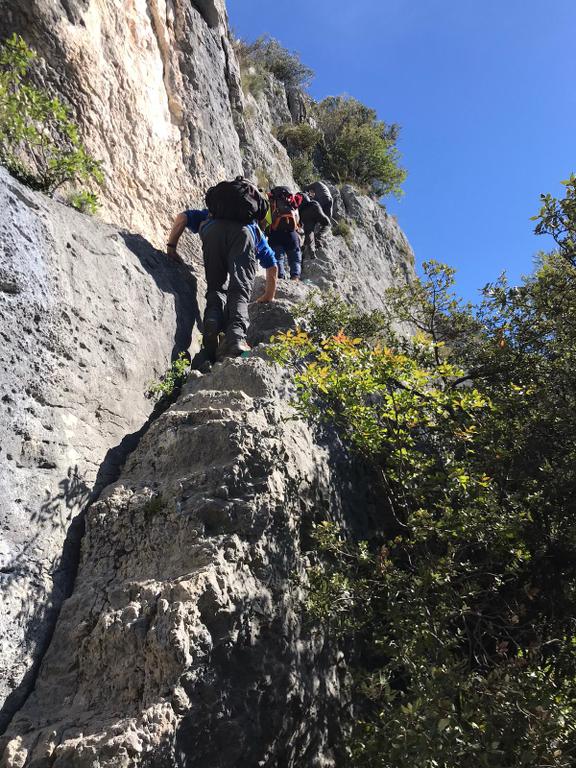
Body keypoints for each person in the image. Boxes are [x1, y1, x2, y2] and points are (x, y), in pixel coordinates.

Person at [166, 180, 278, 361]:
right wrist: (268, 295)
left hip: (212, 231)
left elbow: (182, 218)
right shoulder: (252, 227)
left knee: (215, 286)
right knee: (239, 289)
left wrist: (171, 247)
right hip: (243, 236)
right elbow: (272, 264)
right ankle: (236, 339)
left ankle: (212, 322)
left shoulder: (209, 215)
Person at [266, 186, 303, 281]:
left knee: (278, 258)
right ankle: (295, 278)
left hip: (275, 235)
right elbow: (297, 223)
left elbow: (268, 222)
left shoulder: (271, 205)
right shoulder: (293, 204)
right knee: (295, 258)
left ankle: (280, 278)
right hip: (291, 234)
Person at [298, 192, 331, 258]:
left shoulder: (298, 202)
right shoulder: (310, 199)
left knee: (309, 232)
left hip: (303, 213)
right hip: (314, 206)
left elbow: (300, 225)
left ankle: (311, 250)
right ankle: (319, 237)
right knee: (327, 224)